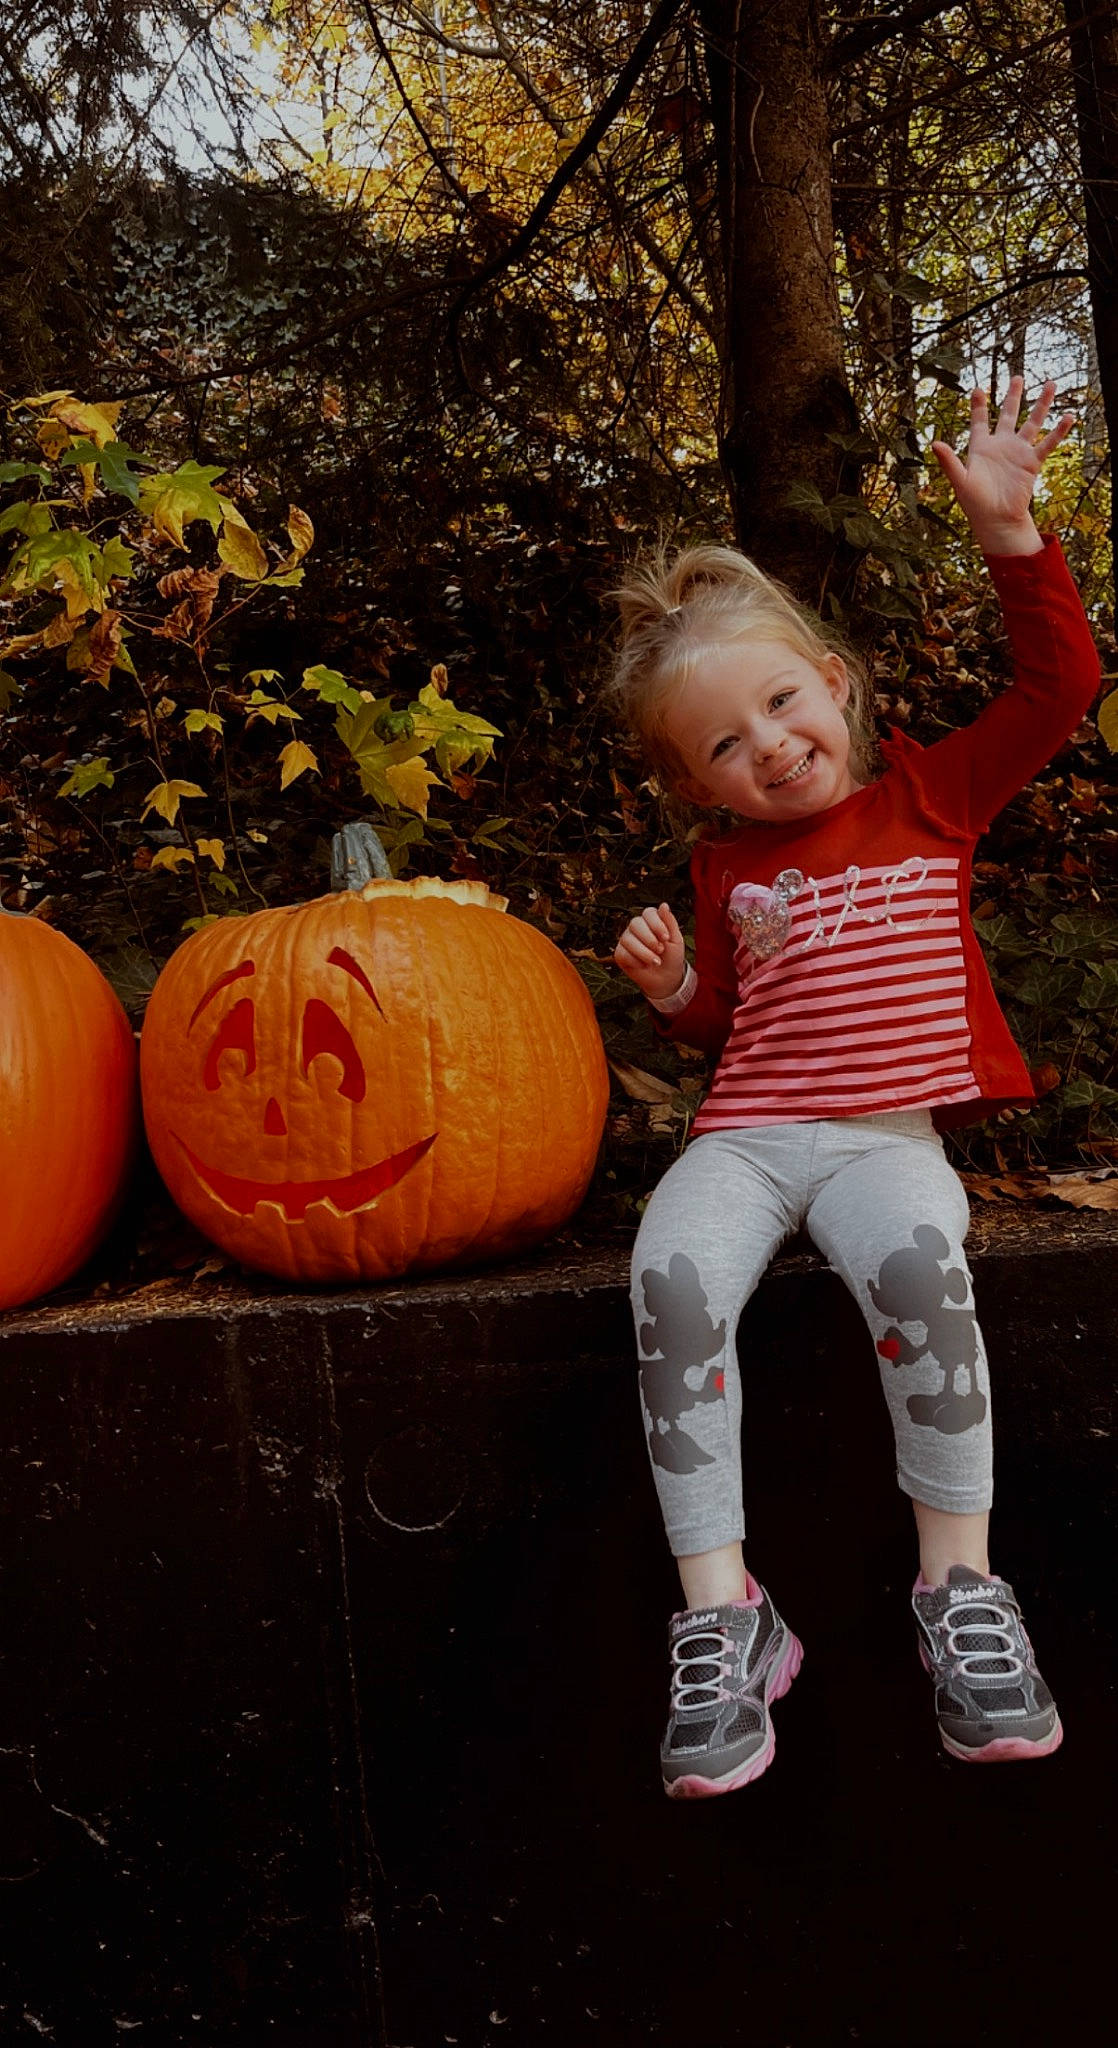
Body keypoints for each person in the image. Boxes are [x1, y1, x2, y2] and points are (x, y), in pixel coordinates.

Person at [608, 377, 1100, 1798]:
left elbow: (1058, 686)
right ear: (694, 784)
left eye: (777, 702)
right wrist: (672, 996)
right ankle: (723, 1615)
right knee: (669, 1282)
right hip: (749, 1137)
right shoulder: (726, 872)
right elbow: (731, 1026)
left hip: (883, 1138)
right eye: (722, 744)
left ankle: (959, 1589)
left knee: (918, 1272)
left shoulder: (930, 798)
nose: (765, 744)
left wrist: (1012, 535)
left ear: (830, 679)